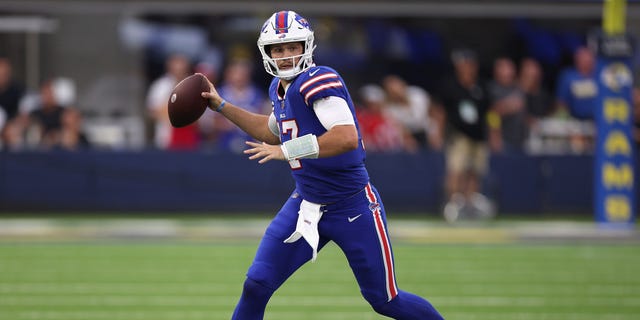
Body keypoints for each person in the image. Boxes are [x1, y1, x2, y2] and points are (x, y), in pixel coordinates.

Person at [199, 11, 443, 320]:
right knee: (257, 283)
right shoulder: (279, 88)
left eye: (292, 47)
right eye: (278, 49)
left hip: (352, 205)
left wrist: (288, 150)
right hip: (306, 203)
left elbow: (346, 137)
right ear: (267, 52)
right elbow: (271, 129)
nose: (285, 56)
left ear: (306, 47)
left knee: (385, 300)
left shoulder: (318, 79)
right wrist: (221, 105)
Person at [437, 48, 494, 222]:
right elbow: (441, 112)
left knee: (475, 171)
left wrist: (494, 133)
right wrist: (438, 133)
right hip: (459, 135)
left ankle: (470, 205)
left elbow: (491, 113)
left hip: (479, 135)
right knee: (456, 170)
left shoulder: (481, 86)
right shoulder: (451, 85)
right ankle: (453, 204)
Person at [487, 56, 527, 154]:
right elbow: (492, 114)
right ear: (497, 71)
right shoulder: (493, 90)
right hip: (503, 142)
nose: (510, 71)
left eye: (511, 68)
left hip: (520, 141)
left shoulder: (517, 88)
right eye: (505, 68)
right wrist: (494, 136)